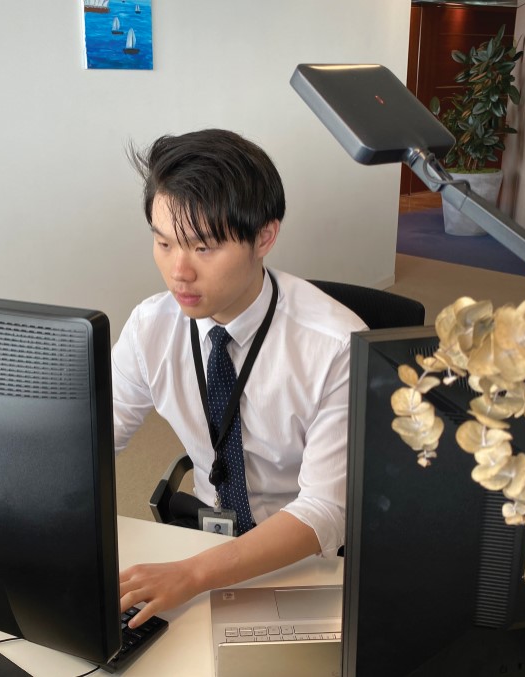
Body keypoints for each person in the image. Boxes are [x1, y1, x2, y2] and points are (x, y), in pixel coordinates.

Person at [111, 129, 368, 628]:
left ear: (264, 237)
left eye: (202, 248)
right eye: (163, 243)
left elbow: (323, 510)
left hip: (302, 551)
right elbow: (94, 438)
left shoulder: (336, 345)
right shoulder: (152, 325)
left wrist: (192, 574)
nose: (178, 272)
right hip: (204, 536)